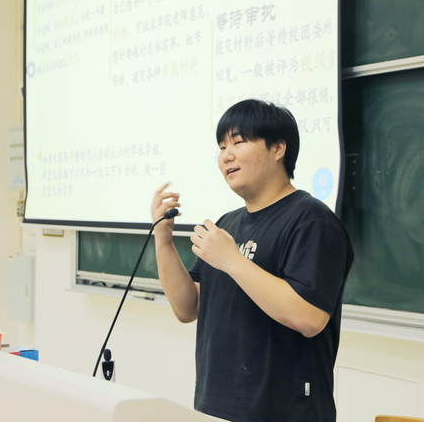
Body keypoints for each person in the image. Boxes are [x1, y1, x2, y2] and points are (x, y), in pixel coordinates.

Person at [151, 99, 353, 422]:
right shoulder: (227, 224)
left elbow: (309, 316)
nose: (226, 155)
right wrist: (163, 241)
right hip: (214, 407)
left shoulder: (311, 220)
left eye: (238, 142)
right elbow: (188, 308)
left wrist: (232, 260)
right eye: (222, 147)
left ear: (278, 148)